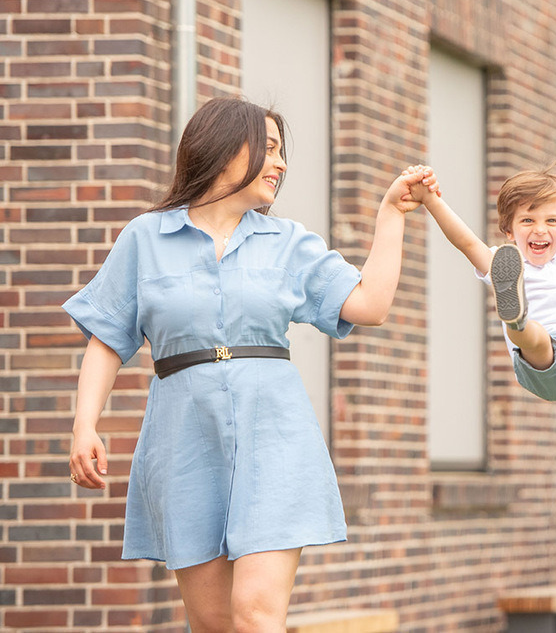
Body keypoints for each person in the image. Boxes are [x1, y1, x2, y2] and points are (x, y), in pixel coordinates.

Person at [63, 97, 434, 632]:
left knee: (255, 616)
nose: (280, 164)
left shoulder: (288, 243)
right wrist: (84, 426)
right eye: (270, 149)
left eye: (283, 152)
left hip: (276, 439)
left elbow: (369, 304)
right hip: (184, 443)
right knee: (213, 621)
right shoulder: (145, 238)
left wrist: (391, 215)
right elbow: (106, 337)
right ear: (222, 149)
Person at [406, 133, 556, 402]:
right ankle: (517, 319)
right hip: (538, 363)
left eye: (551, 221)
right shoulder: (506, 264)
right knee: (538, 340)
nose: (540, 230)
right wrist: (431, 199)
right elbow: (467, 243)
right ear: (509, 230)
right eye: (528, 220)